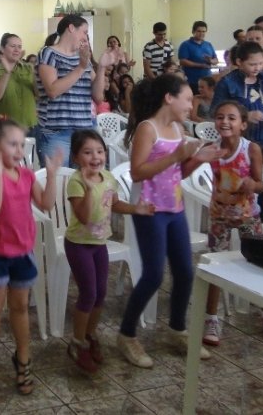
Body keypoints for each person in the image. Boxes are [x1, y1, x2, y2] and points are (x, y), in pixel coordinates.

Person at [117, 73, 222, 368]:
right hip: (150, 211)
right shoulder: (147, 129)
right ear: (169, 98)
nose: (191, 105)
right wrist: (178, 154)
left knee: (186, 272)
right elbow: (137, 172)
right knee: (152, 275)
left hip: (174, 209)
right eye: (187, 99)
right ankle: (126, 334)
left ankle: (178, 328)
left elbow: (178, 174)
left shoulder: (177, 127)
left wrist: (197, 159)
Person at [0, 119, 60, 395]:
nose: (19, 150)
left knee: (21, 307)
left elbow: (46, 204)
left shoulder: (26, 175)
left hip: (23, 251)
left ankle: (23, 356)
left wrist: (53, 174)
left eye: (22, 145)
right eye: (13, 144)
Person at [201, 101, 263, 346]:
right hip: (219, 216)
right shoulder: (211, 149)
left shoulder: (251, 149)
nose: (225, 122)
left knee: (259, 264)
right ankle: (211, 318)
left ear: (243, 124)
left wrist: (253, 185)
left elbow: (261, 183)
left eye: (231, 118)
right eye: (220, 117)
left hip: (249, 215)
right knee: (215, 266)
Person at [65, 130, 153, 372]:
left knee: (101, 293)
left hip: (99, 243)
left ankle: (90, 335)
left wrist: (137, 209)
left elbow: (114, 204)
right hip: (79, 244)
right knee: (88, 293)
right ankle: (77, 341)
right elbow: (82, 216)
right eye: (88, 152)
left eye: (100, 151)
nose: (95, 157)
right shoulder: (75, 181)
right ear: (76, 158)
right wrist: (86, 184)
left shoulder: (108, 178)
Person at [211, 41, 263, 221]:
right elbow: (215, 111)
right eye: (252, 64)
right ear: (239, 62)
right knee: (236, 185)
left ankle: (259, 219)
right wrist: (245, 116)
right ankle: (234, 220)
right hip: (237, 143)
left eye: (260, 63)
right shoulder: (227, 83)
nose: (257, 67)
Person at [36, 14, 105, 165]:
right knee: (59, 181)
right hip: (57, 131)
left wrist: (102, 68)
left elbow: (98, 97)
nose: (86, 37)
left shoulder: (82, 58)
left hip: (85, 129)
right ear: (71, 28)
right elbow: (52, 91)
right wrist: (80, 67)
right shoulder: (49, 53)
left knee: (84, 182)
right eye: (84, 32)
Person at [0, 33, 37, 132]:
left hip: (30, 126)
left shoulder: (28, 68)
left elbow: (38, 94)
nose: (17, 50)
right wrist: (7, 72)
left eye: (19, 47)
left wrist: (36, 74)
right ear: (2, 49)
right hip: (5, 128)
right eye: (13, 46)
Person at [178, 21, 218, 94]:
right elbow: (183, 61)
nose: (201, 33)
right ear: (193, 31)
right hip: (192, 81)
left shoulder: (208, 44)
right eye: (199, 31)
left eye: (204, 31)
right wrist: (200, 65)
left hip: (207, 81)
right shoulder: (185, 45)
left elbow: (216, 60)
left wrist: (211, 61)